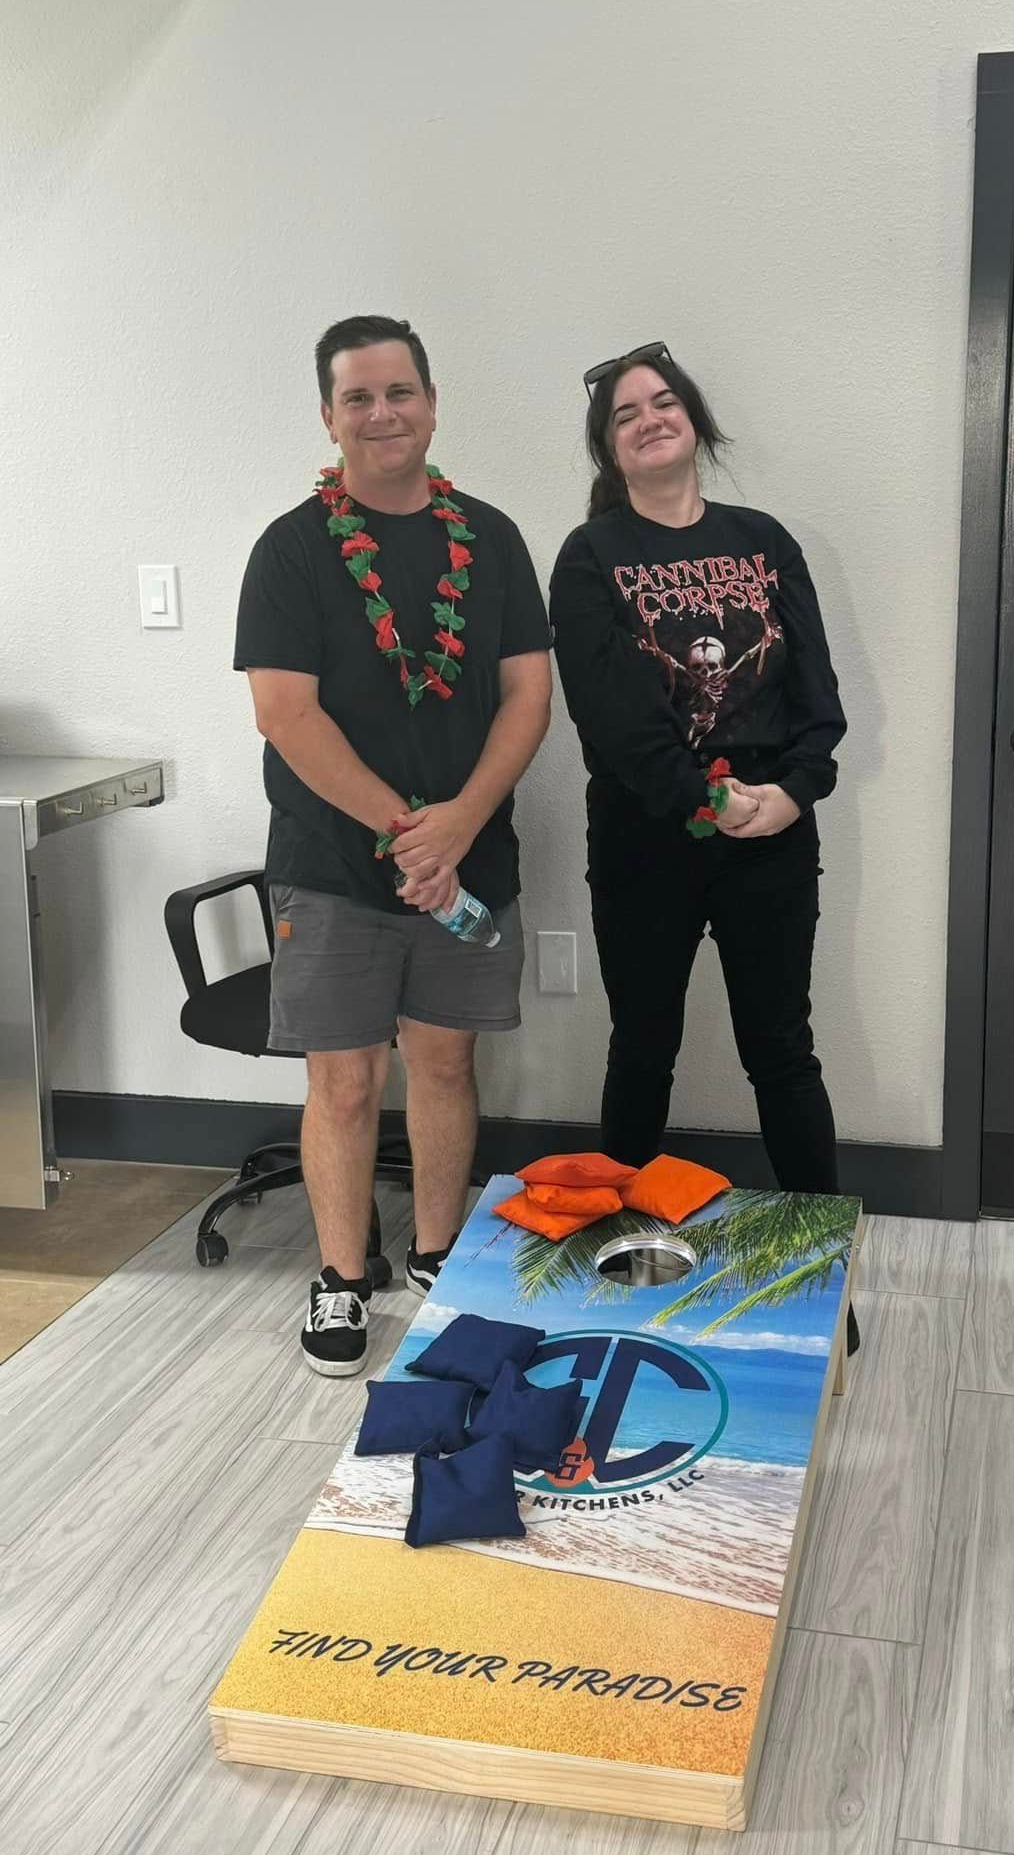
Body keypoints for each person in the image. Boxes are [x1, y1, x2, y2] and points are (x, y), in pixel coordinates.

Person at [235, 316, 551, 1376]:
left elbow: (527, 693)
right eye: (359, 397)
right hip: (334, 867)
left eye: (400, 391)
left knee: (448, 1061)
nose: (383, 413)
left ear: (431, 399)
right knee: (345, 1082)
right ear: (329, 416)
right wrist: (407, 829)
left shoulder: (492, 537)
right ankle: (339, 1276)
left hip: (472, 856)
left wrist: (459, 822)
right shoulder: (290, 548)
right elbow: (286, 713)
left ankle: (438, 1250)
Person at [550, 341, 848, 1223]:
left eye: (663, 401)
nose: (650, 419)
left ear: (695, 419)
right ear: (610, 448)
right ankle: (614, 1265)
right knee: (642, 1048)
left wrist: (794, 791)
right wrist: (702, 798)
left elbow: (818, 698)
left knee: (783, 1052)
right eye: (626, 413)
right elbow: (608, 714)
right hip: (648, 830)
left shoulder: (765, 541)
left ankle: (819, 1266)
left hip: (773, 828)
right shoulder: (590, 553)